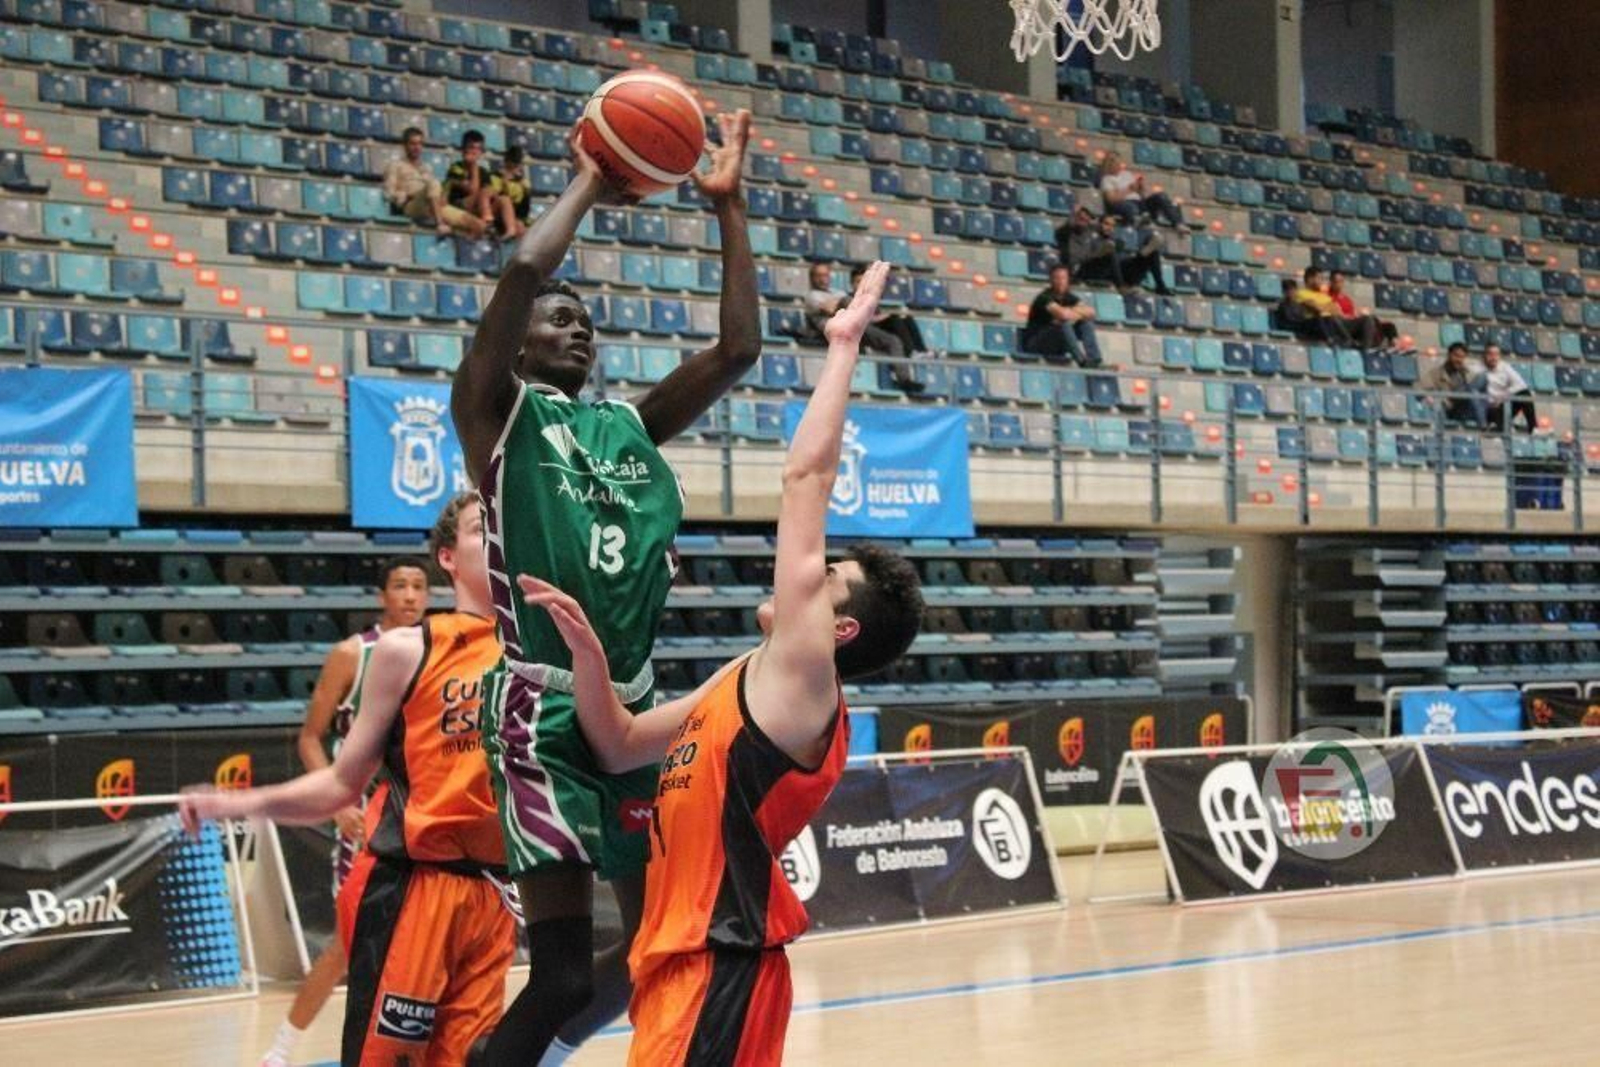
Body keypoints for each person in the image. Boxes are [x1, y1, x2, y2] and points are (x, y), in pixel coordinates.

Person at [516, 260, 924, 1066]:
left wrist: (841, 345)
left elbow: (806, 477)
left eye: (827, 580)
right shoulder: (741, 682)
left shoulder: (803, 686)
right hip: (679, 966)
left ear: (836, 632)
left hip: (723, 961)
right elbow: (621, 740)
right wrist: (591, 656)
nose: (810, 574)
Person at [451, 110, 761, 1066]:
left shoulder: (627, 426)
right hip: (541, 710)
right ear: (517, 345)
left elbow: (738, 351)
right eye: (559, 317)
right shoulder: (496, 418)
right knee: (563, 974)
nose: (577, 323)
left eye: (587, 319)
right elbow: (520, 275)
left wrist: (729, 208)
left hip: (631, 712)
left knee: (644, 949)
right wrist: (590, 177)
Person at [180, 495, 514, 1066]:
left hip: (497, 894)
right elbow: (339, 783)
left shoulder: (539, 650)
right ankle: (283, 1046)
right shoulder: (407, 648)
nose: (500, 535)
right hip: (415, 885)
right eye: (482, 528)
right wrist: (238, 802)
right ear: (448, 559)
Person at [257, 556, 430, 1067]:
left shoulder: (438, 650)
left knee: (424, 944)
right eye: (399, 585)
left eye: (419, 586)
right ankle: (280, 1050)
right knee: (347, 945)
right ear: (382, 596)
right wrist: (338, 805)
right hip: (366, 818)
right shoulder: (351, 655)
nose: (410, 596)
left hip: (423, 817)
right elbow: (311, 738)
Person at [804, 262, 924, 394]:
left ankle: (906, 377)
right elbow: (830, 309)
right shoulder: (812, 296)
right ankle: (905, 371)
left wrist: (846, 302)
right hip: (838, 329)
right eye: (819, 276)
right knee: (849, 301)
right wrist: (844, 302)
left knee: (895, 334)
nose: (823, 279)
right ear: (812, 278)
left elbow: (845, 304)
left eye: (826, 275)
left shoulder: (836, 292)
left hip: (856, 324)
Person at [382, 126, 478, 237]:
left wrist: (442, 196)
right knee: (434, 184)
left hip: (431, 204)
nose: (417, 147)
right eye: (413, 144)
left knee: (476, 224)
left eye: (420, 144)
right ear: (405, 145)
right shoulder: (395, 166)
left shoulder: (427, 167)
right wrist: (408, 195)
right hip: (411, 206)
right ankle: (440, 225)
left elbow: (435, 191)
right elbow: (388, 194)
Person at [1056, 206, 1170, 294]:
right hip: (1087, 268)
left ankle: (1160, 285)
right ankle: (1121, 287)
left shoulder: (1114, 239)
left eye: (1112, 225)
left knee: (1151, 252)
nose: (1109, 227)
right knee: (1109, 250)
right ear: (1099, 224)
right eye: (1106, 224)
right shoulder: (1084, 233)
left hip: (1113, 271)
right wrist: (1074, 215)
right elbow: (1067, 229)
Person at [1020, 264, 1102, 367]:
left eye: (1063, 278)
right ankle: (1082, 361)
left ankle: (1095, 359)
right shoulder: (1044, 297)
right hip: (1035, 343)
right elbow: (1062, 315)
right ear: (1051, 280)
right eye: (1057, 278)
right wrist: (1076, 313)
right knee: (1063, 324)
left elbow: (1091, 312)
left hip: (1057, 342)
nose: (1060, 282)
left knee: (1086, 323)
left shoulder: (1069, 297)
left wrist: (1070, 311)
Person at [1293, 268, 1381, 349]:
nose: (1321, 281)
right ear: (1310, 279)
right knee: (1332, 318)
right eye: (1319, 278)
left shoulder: (1323, 295)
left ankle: (1365, 350)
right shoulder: (1301, 293)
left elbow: (1336, 309)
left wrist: (1325, 307)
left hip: (1339, 322)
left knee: (1367, 319)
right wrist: (1327, 307)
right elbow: (1316, 308)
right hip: (1323, 324)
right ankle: (1349, 341)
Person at [1098, 152, 1183, 227]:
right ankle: (1139, 221)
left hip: (1139, 203)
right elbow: (1111, 199)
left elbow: (1141, 195)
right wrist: (1129, 190)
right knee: (1130, 206)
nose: (1119, 165)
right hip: (1123, 205)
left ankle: (1178, 223)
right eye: (1116, 163)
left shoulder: (1127, 174)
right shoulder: (1107, 179)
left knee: (1161, 196)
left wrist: (1140, 188)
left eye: (1119, 162)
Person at [1475, 343, 1538, 433]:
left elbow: (1521, 385)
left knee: (1524, 394)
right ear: (1484, 355)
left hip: (1501, 404)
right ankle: (1500, 428)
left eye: (1496, 354)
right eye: (1490, 354)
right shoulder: (1477, 368)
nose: (1493, 357)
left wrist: (1502, 397)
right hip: (1487, 407)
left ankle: (1533, 428)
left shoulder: (1504, 367)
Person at [443, 130, 494, 239]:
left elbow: (490, 191)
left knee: (504, 200)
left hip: (478, 206)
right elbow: (472, 190)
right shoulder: (456, 168)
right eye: (471, 147)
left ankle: (490, 223)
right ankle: (486, 223)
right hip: (459, 207)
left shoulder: (484, 171)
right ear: (463, 150)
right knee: (482, 193)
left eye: (478, 148)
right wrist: (473, 166)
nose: (475, 152)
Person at [1328, 270, 1398, 346]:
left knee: (1388, 326)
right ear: (1331, 282)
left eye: (1341, 281)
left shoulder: (1347, 299)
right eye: (1336, 281)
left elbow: (1352, 314)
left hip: (1351, 323)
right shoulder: (1327, 296)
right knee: (1367, 320)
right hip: (1341, 325)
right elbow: (1334, 314)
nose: (1339, 284)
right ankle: (1366, 347)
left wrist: (1358, 315)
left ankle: (1394, 345)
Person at [1422, 342, 1483, 426]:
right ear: (1449, 355)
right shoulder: (1435, 373)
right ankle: (1483, 425)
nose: (1459, 359)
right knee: (1473, 390)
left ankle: (1482, 425)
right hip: (1446, 408)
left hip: (1463, 409)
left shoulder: (1468, 374)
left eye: (1462, 357)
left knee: (1479, 384)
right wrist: (1437, 398)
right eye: (1456, 356)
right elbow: (1424, 389)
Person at [490, 146, 532, 240]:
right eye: (510, 166)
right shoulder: (494, 177)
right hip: (497, 215)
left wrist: (525, 190)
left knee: (523, 228)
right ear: (505, 163)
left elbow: (524, 209)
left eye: (516, 165)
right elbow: (493, 200)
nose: (513, 169)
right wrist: (504, 185)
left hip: (516, 215)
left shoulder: (524, 183)